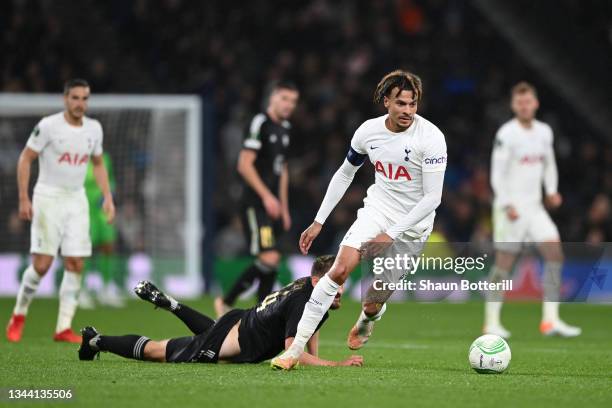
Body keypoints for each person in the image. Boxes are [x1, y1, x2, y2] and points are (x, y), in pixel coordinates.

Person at [272, 70, 447, 370]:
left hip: (412, 226)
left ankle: (367, 319)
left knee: (373, 300)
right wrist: (319, 221)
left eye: (413, 104)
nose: (407, 111)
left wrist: (392, 234)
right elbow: (345, 173)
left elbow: (432, 198)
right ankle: (293, 351)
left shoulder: (431, 138)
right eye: (401, 103)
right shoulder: (368, 132)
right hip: (378, 208)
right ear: (385, 102)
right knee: (339, 270)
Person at [78, 255, 363, 367]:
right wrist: (335, 365)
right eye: (337, 283)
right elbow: (293, 352)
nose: (341, 289)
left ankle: (174, 306)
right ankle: (95, 340)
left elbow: (309, 330)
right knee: (158, 351)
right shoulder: (305, 299)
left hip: (238, 322)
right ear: (318, 281)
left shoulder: (313, 294)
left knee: (210, 331)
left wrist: (318, 358)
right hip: (232, 340)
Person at [6, 79, 115, 343]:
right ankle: (19, 315)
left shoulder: (94, 129)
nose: (80, 103)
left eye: (85, 98)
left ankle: (63, 328)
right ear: (65, 99)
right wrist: (23, 197)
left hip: (77, 200)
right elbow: (25, 158)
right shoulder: (48, 126)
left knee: (76, 262)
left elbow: (98, 164)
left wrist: (108, 197)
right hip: (49, 197)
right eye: (75, 98)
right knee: (42, 265)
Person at [484, 81, 581, 338]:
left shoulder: (544, 132)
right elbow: (497, 174)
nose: (524, 106)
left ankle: (550, 321)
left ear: (535, 103)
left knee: (555, 254)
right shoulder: (506, 134)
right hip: (511, 208)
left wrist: (551, 191)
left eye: (528, 102)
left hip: (535, 207)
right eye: (519, 102)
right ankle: (491, 321)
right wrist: (506, 203)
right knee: (505, 263)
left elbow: (549, 164)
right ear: (513, 105)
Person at [214, 81, 299, 317]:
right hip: (254, 203)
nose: (288, 105)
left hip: (272, 205)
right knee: (269, 256)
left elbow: (282, 170)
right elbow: (244, 164)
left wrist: (283, 206)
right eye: (284, 98)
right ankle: (226, 300)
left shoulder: (285, 129)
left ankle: (261, 311)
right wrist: (266, 197)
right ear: (272, 98)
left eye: (293, 101)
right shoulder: (259, 122)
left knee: (272, 258)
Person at [82, 152, 124, 308]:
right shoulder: (79, 158)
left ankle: (106, 289)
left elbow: (111, 181)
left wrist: (108, 195)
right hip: (85, 209)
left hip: (102, 209)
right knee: (85, 249)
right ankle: (82, 291)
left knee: (108, 246)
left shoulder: (105, 158)